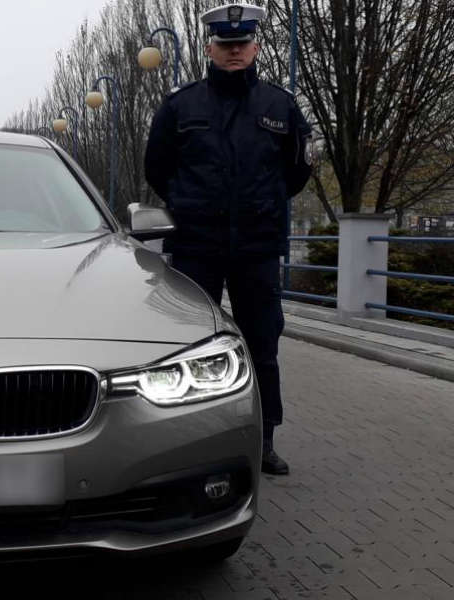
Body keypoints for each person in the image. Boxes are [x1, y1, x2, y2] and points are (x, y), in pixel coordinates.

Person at [144, 3, 312, 475]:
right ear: (209, 48)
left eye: (242, 44)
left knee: (263, 345)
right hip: (197, 246)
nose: (234, 52)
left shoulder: (280, 106)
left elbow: (296, 171)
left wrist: (261, 202)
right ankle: (188, 441)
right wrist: (190, 202)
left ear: (256, 47)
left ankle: (263, 440)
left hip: (257, 247)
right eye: (225, 45)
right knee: (191, 346)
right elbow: (157, 167)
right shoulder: (181, 106)